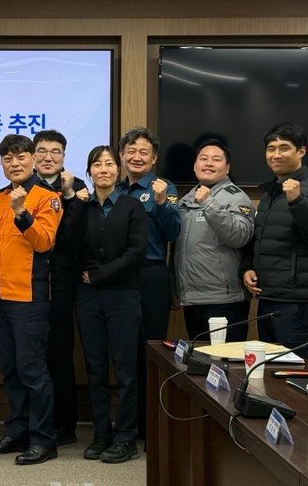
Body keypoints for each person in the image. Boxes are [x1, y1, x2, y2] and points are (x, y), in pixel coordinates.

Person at [0, 134, 62, 466]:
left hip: (30, 298)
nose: (14, 164)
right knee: (10, 370)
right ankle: (17, 431)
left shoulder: (48, 197)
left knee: (32, 371)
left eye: (21, 157)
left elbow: (44, 242)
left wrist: (21, 212)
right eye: (7, 159)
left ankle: (43, 439)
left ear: (33, 159)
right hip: (0, 298)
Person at [62, 145, 147, 463]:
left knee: (125, 370)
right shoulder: (82, 205)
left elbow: (136, 253)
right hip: (87, 298)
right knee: (95, 368)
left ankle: (126, 437)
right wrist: (75, 205)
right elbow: (69, 245)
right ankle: (101, 434)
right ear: (89, 172)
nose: (103, 169)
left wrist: (99, 275)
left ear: (118, 169)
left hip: (123, 295)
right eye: (97, 165)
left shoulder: (132, 206)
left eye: (109, 164)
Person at [241, 122, 308, 361]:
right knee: (268, 373)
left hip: (298, 303)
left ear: (301, 151)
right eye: (271, 148)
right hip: (268, 297)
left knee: (295, 372)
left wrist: (298, 201)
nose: (276, 154)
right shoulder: (270, 194)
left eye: (284, 148)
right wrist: (247, 268)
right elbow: (261, 238)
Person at [115, 126, 180, 440]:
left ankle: (149, 427)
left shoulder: (163, 188)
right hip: (118, 276)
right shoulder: (115, 190)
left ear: (154, 158)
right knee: (123, 352)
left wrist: (162, 203)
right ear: (121, 155)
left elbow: (174, 232)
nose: (136, 157)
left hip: (151, 275)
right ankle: (127, 424)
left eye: (144, 152)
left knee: (149, 351)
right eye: (131, 151)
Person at [32, 129, 88, 447]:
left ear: (64, 156)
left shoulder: (77, 187)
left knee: (60, 353)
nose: (48, 157)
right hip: (28, 281)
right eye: (42, 151)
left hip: (63, 282)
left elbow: (76, 238)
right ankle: (35, 422)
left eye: (55, 151)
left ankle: (64, 425)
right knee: (32, 355)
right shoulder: (24, 187)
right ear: (33, 155)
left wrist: (68, 198)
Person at [174, 139, 254, 342]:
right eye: (203, 159)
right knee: (200, 360)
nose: (208, 163)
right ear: (194, 165)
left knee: (225, 359)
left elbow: (240, 237)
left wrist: (209, 204)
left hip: (224, 300)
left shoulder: (236, 198)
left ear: (227, 168)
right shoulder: (186, 200)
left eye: (216, 159)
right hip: (192, 299)